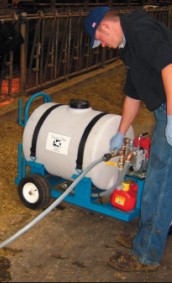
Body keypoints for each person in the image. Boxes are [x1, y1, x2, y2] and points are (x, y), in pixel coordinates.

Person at [84, 6, 172, 272]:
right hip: (165, 110)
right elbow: (133, 93)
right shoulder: (129, 46)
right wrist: (121, 132)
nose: (104, 46)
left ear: (105, 26)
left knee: (160, 179)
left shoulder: (139, 29)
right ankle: (148, 237)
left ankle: (145, 254)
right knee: (163, 178)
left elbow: (169, 66)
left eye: (101, 40)